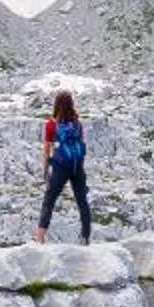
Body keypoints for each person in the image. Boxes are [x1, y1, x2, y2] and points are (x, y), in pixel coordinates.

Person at [35, 89, 92, 244]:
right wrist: (80, 166)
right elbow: (81, 144)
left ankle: (39, 237)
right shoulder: (77, 124)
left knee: (49, 199)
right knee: (82, 200)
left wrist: (46, 169)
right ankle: (85, 236)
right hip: (77, 166)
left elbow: (47, 149)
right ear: (71, 104)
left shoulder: (51, 125)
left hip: (60, 166)